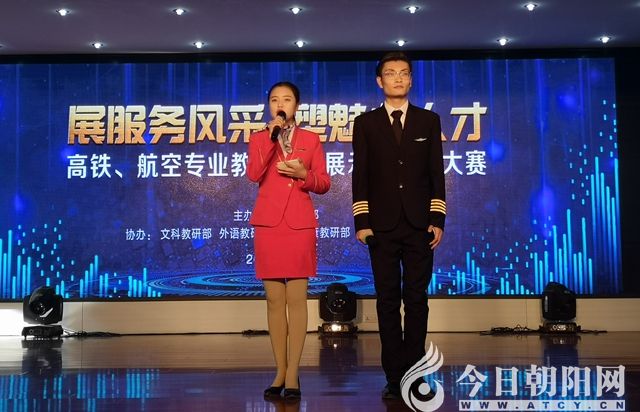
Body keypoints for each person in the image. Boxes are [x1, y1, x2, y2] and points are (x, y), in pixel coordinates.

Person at [351, 52, 446, 400]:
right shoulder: (366, 123)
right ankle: (394, 377)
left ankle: (416, 375)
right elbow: (360, 176)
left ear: (411, 79)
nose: (398, 78)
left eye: (404, 73)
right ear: (380, 81)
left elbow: (436, 173)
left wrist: (437, 219)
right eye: (391, 73)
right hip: (382, 228)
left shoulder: (428, 120)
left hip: (420, 226)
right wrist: (362, 222)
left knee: (417, 300)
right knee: (388, 301)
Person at [247, 81, 331, 401]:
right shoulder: (259, 138)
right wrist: (271, 139)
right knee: (273, 300)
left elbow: (323, 182)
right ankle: (279, 371)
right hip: (268, 224)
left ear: (297, 105)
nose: (280, 104)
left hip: (299, 224)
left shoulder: (310, 139)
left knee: (296, 299)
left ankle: (293, 373)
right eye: (274, 99)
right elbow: (254, 174)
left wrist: (303, 175)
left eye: (286, 99)